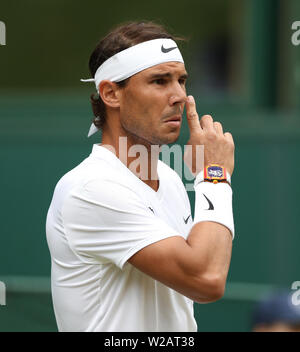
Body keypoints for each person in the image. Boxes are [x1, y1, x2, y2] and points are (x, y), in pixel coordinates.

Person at [46, 21, 235, 332]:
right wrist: (213, 174)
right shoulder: (92, 189)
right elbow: (207, 279)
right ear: (110, 93)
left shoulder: (170, 181)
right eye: (160, 81)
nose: (179, 97)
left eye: (181, 80)